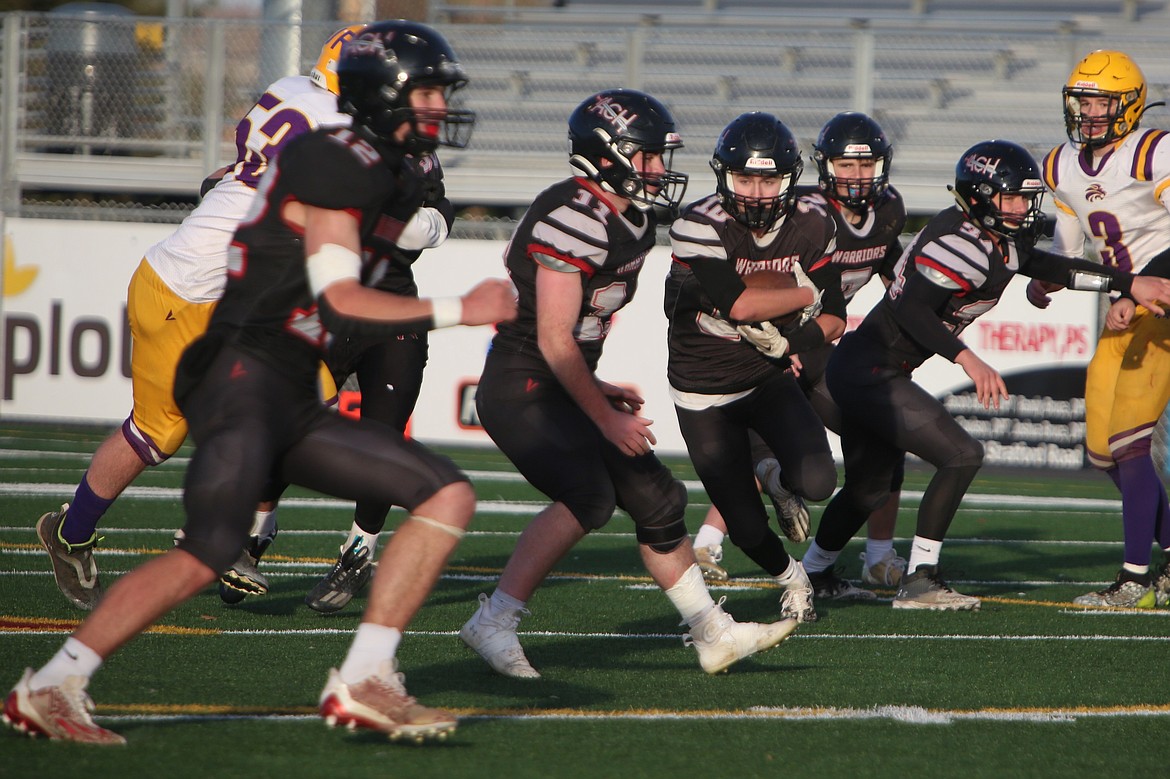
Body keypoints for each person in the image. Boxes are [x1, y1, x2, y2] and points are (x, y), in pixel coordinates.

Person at [4, 20, 516, 745]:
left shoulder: (363, 155)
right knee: (204, 548)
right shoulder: (345, 158)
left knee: (441, 491)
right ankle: (55, 682)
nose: (438, 107)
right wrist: (463, 308)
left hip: (273, 371)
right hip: (247, 371)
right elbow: (342, 295)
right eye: (426, 91)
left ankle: (365, 674)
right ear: (381, 93)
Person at [460, 90, 798, 679]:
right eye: (645, 157)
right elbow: (554, 339)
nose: (658, 171)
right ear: (604, 155)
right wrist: (601, 412)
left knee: (659, 500)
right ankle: (494, 621)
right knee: (589, 495)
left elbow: (571, 339)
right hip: (523, 384)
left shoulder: (629, 216)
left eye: (660, 157)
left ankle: (712, 633)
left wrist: (596, 388)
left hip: (559, 380)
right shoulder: (572, 215)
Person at [32, 23, 366, 610]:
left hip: (209, 286)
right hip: (186, 292)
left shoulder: (294, 87)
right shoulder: (337, 128)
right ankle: (73, 534)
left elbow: (247, 165)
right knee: (158, 432)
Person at [817, 138, 1170, 611]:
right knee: (962, 454)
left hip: (875, 367)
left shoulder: (993, 238)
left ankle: (814, 573)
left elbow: (1051, 265)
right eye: (1011, 198)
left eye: (1027, 197)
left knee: (867, 487)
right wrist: (968, 358)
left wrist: (1129, 283)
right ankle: (921, 578)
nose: (1022, 207)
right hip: (870, 368)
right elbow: (911, 308)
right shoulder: (958, 240)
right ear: (980, 198)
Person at [690, 112, 909, 598]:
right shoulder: (803, 212)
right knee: (770, 440)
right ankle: (711, 542)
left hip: (822, 339)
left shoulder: (889, 209)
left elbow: (893, 271)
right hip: (781, 338)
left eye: (866, 165)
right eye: (844, 165)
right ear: (821, 166)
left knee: (878, 437)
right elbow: (759, 282)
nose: (855, 177)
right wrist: (780, 338)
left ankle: (873, 555)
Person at [666, 111, 842, 624]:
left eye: (769, 179)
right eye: (745, 178)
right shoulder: (698, 223)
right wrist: (806, 292)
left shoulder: (813, 222)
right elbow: (739, 306)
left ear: (790, 179)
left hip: (765, 377)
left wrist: (792, 340)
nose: (757, 192)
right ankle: (794, 579)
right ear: (723, 177)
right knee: (744, 527)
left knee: (818, 481)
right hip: (703, 392)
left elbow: (836, 317)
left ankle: (775, 476)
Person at [1027, 50, 1170, 607]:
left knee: (1131, 445)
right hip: (1126, 310)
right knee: (1102, 451)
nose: (1088, 112)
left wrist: (1137, 290)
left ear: (1129, 105)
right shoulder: (1059, 164)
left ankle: (1134, 582)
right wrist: (1049, 278)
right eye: (1082, 101)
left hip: (1161, 311)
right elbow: (1070, 251)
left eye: (1101, 102)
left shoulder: (1153, 152)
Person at [299, 145, 453, 614]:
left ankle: (357, 554)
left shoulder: (416, 155)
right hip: (324, 308)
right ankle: (255, 535)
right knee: (281, 420)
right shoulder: (333, 142)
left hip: (392, 312)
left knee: (382, 444)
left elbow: (435, 220)